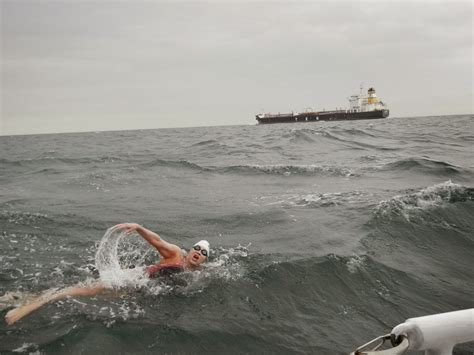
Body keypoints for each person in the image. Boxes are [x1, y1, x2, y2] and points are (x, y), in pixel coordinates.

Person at [4, 223, 210, 325]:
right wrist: (138, 228)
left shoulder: (198, 272)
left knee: (84, 291)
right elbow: (157, 240)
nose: (198, 253)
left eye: (203, 253)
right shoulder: (175, 254)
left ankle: (19, 298)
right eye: (197, 249)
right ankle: (27, 308)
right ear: (190, 249)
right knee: (75, 291)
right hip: (130, 280)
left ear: (203, 259)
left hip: (136, 291)